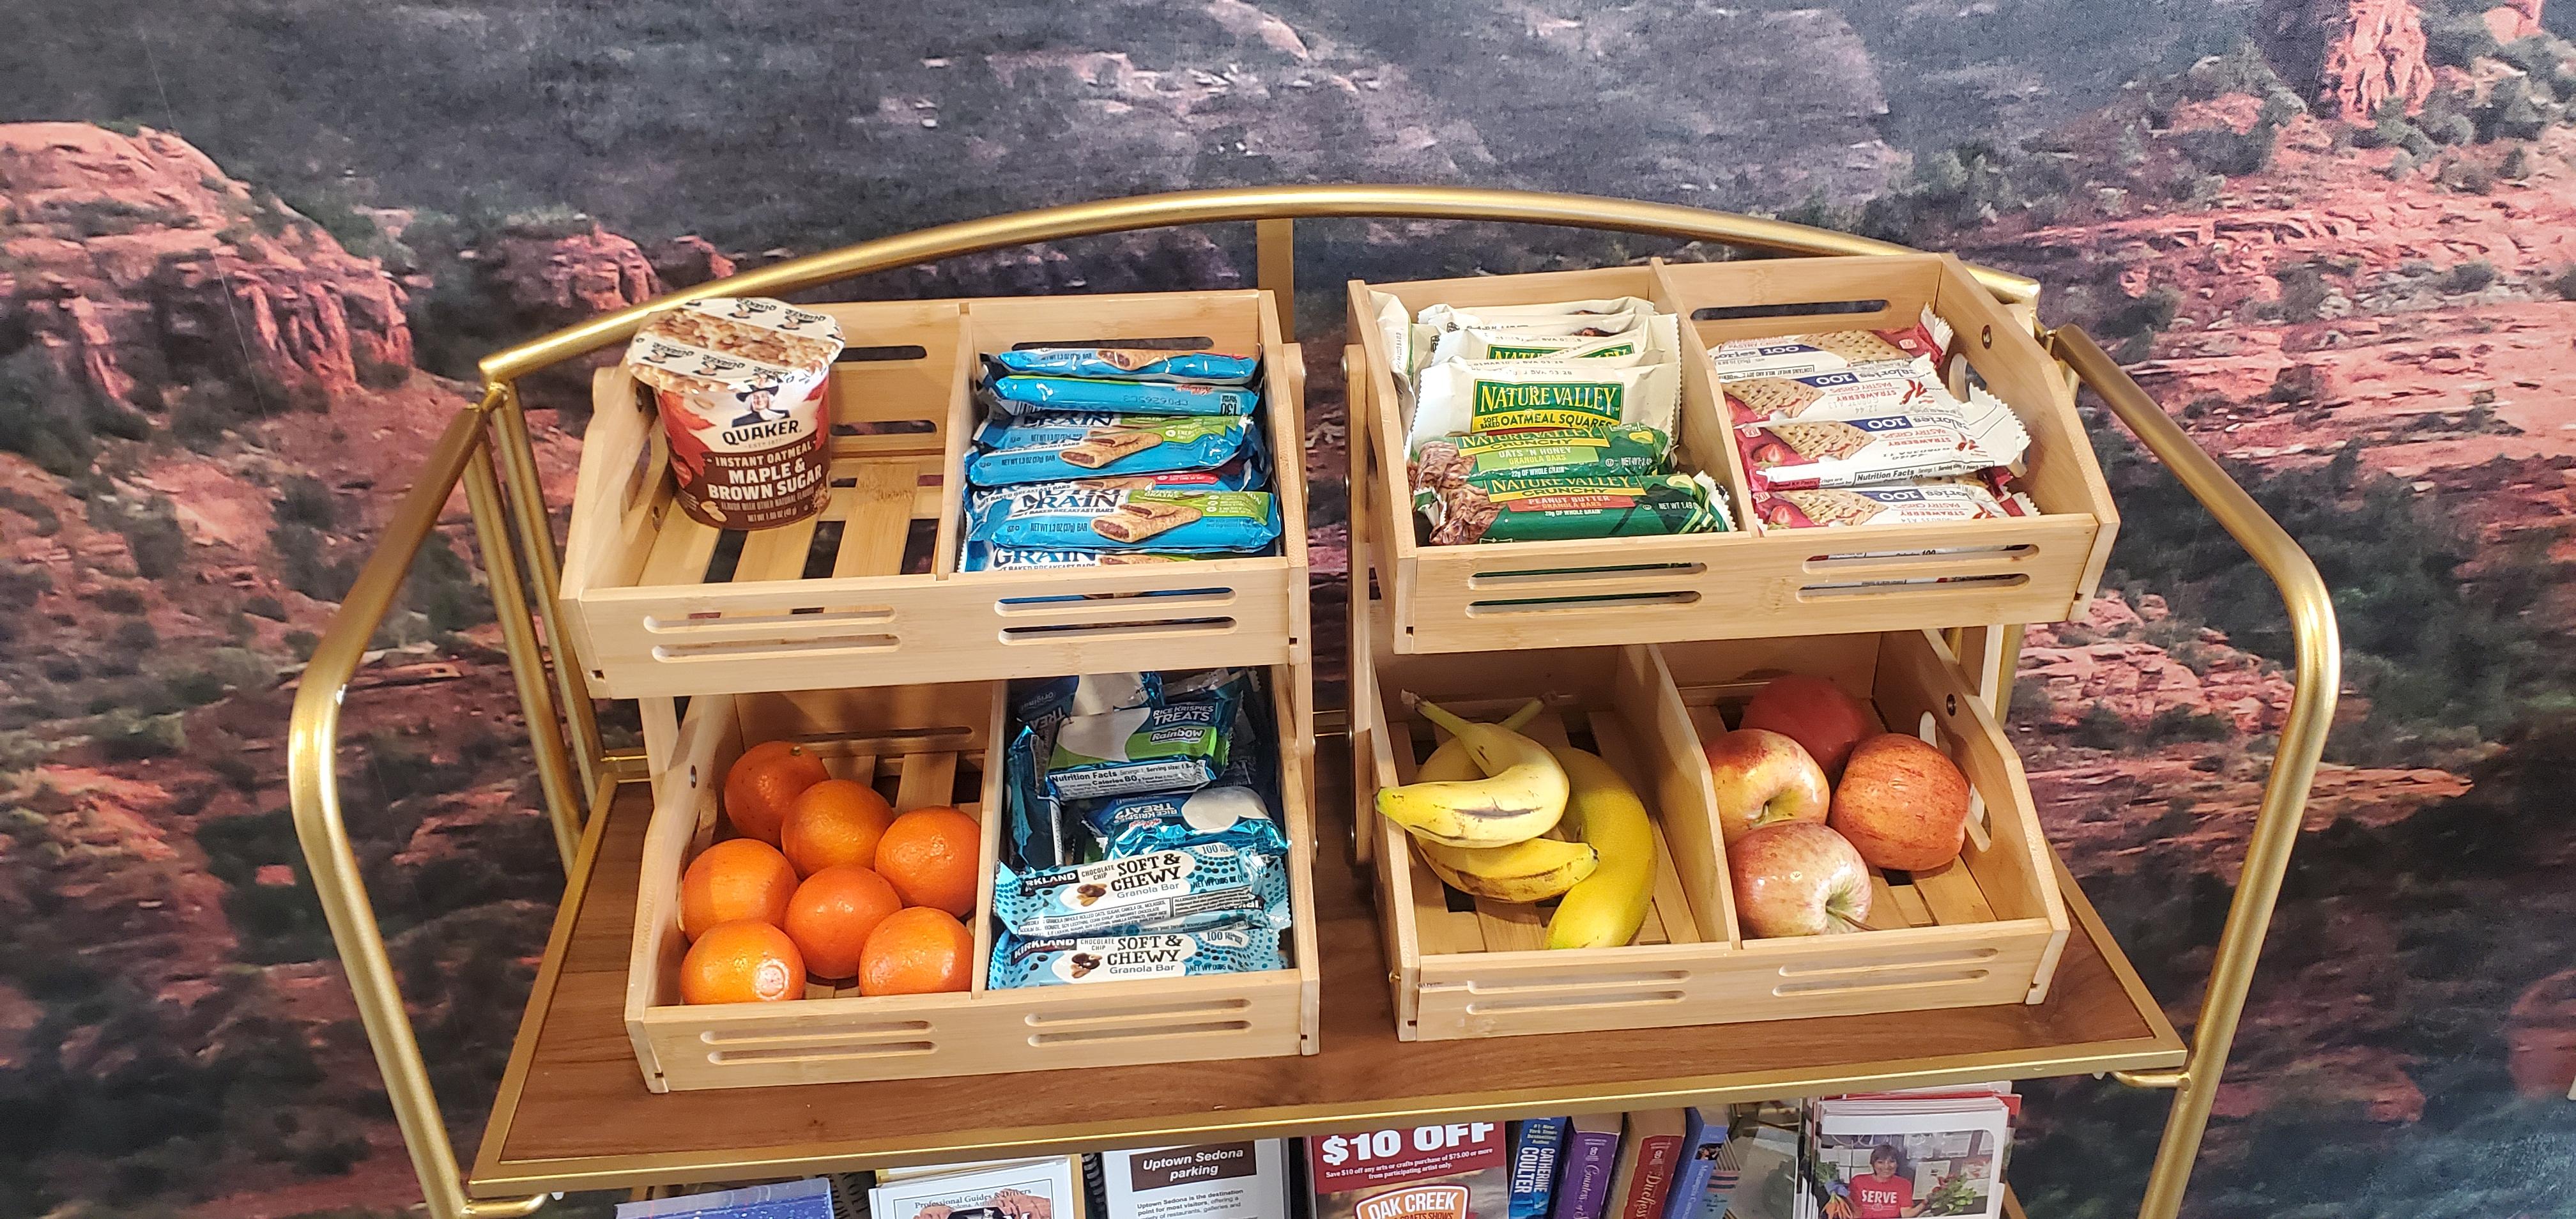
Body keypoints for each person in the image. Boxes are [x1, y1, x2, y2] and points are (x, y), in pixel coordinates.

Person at [1845, 1145, 1921, 1219]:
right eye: (1880, 1162)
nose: (1886, 1167)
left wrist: (1925, 1203)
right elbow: (1853, 1212)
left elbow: (1906, 1214)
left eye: (1891, 1162)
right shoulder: (1858, 1181)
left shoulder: (1904, 1184)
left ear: (1898, 1164)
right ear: (1873, 1164)